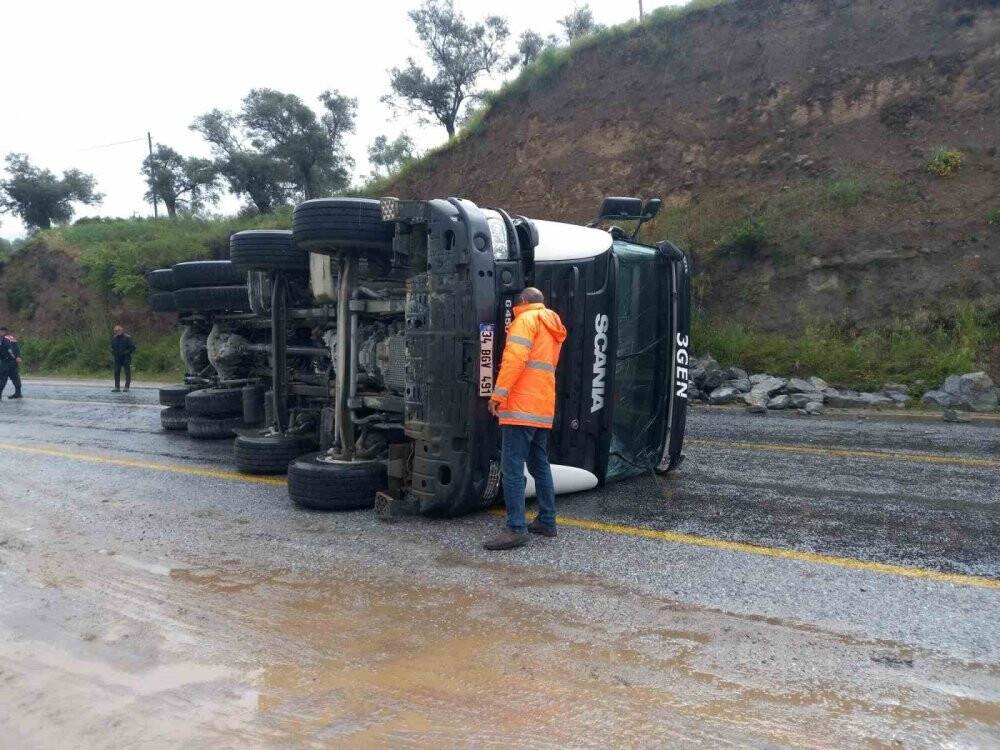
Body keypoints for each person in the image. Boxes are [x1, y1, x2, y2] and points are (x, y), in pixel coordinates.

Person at [483, 288, 567, 551]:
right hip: (542, 406)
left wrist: (498, 395)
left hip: (520, 406)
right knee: (540, 465)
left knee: (512, 469)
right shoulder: (552, 323)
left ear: (522, 302)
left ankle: (516, 528)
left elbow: (514, 361)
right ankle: (547, 521)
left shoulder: (524, 320)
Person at [111, 324, 137, 393]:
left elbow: (133, 347)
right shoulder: (114, 338)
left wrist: (126, 352)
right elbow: (112, 347)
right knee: (116, 372)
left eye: (118, 330)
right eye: (115, 331)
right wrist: (113, 352)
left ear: (122, 330)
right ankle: (117, 387)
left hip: (126, 357)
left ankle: (126, 387)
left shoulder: (127, 337)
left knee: (127, 372)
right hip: (117, 357)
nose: (117, 332)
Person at [0, 325, 23, 400]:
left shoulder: (5, 339)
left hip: (6, 362)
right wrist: (18, 357)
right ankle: (18, 393)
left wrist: (15, 357)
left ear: (3, 331)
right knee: (15, 377)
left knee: (3, 378)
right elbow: (17, 348)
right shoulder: (11, 338)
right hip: (13, 362)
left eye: (1, 331)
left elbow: (10, 349)